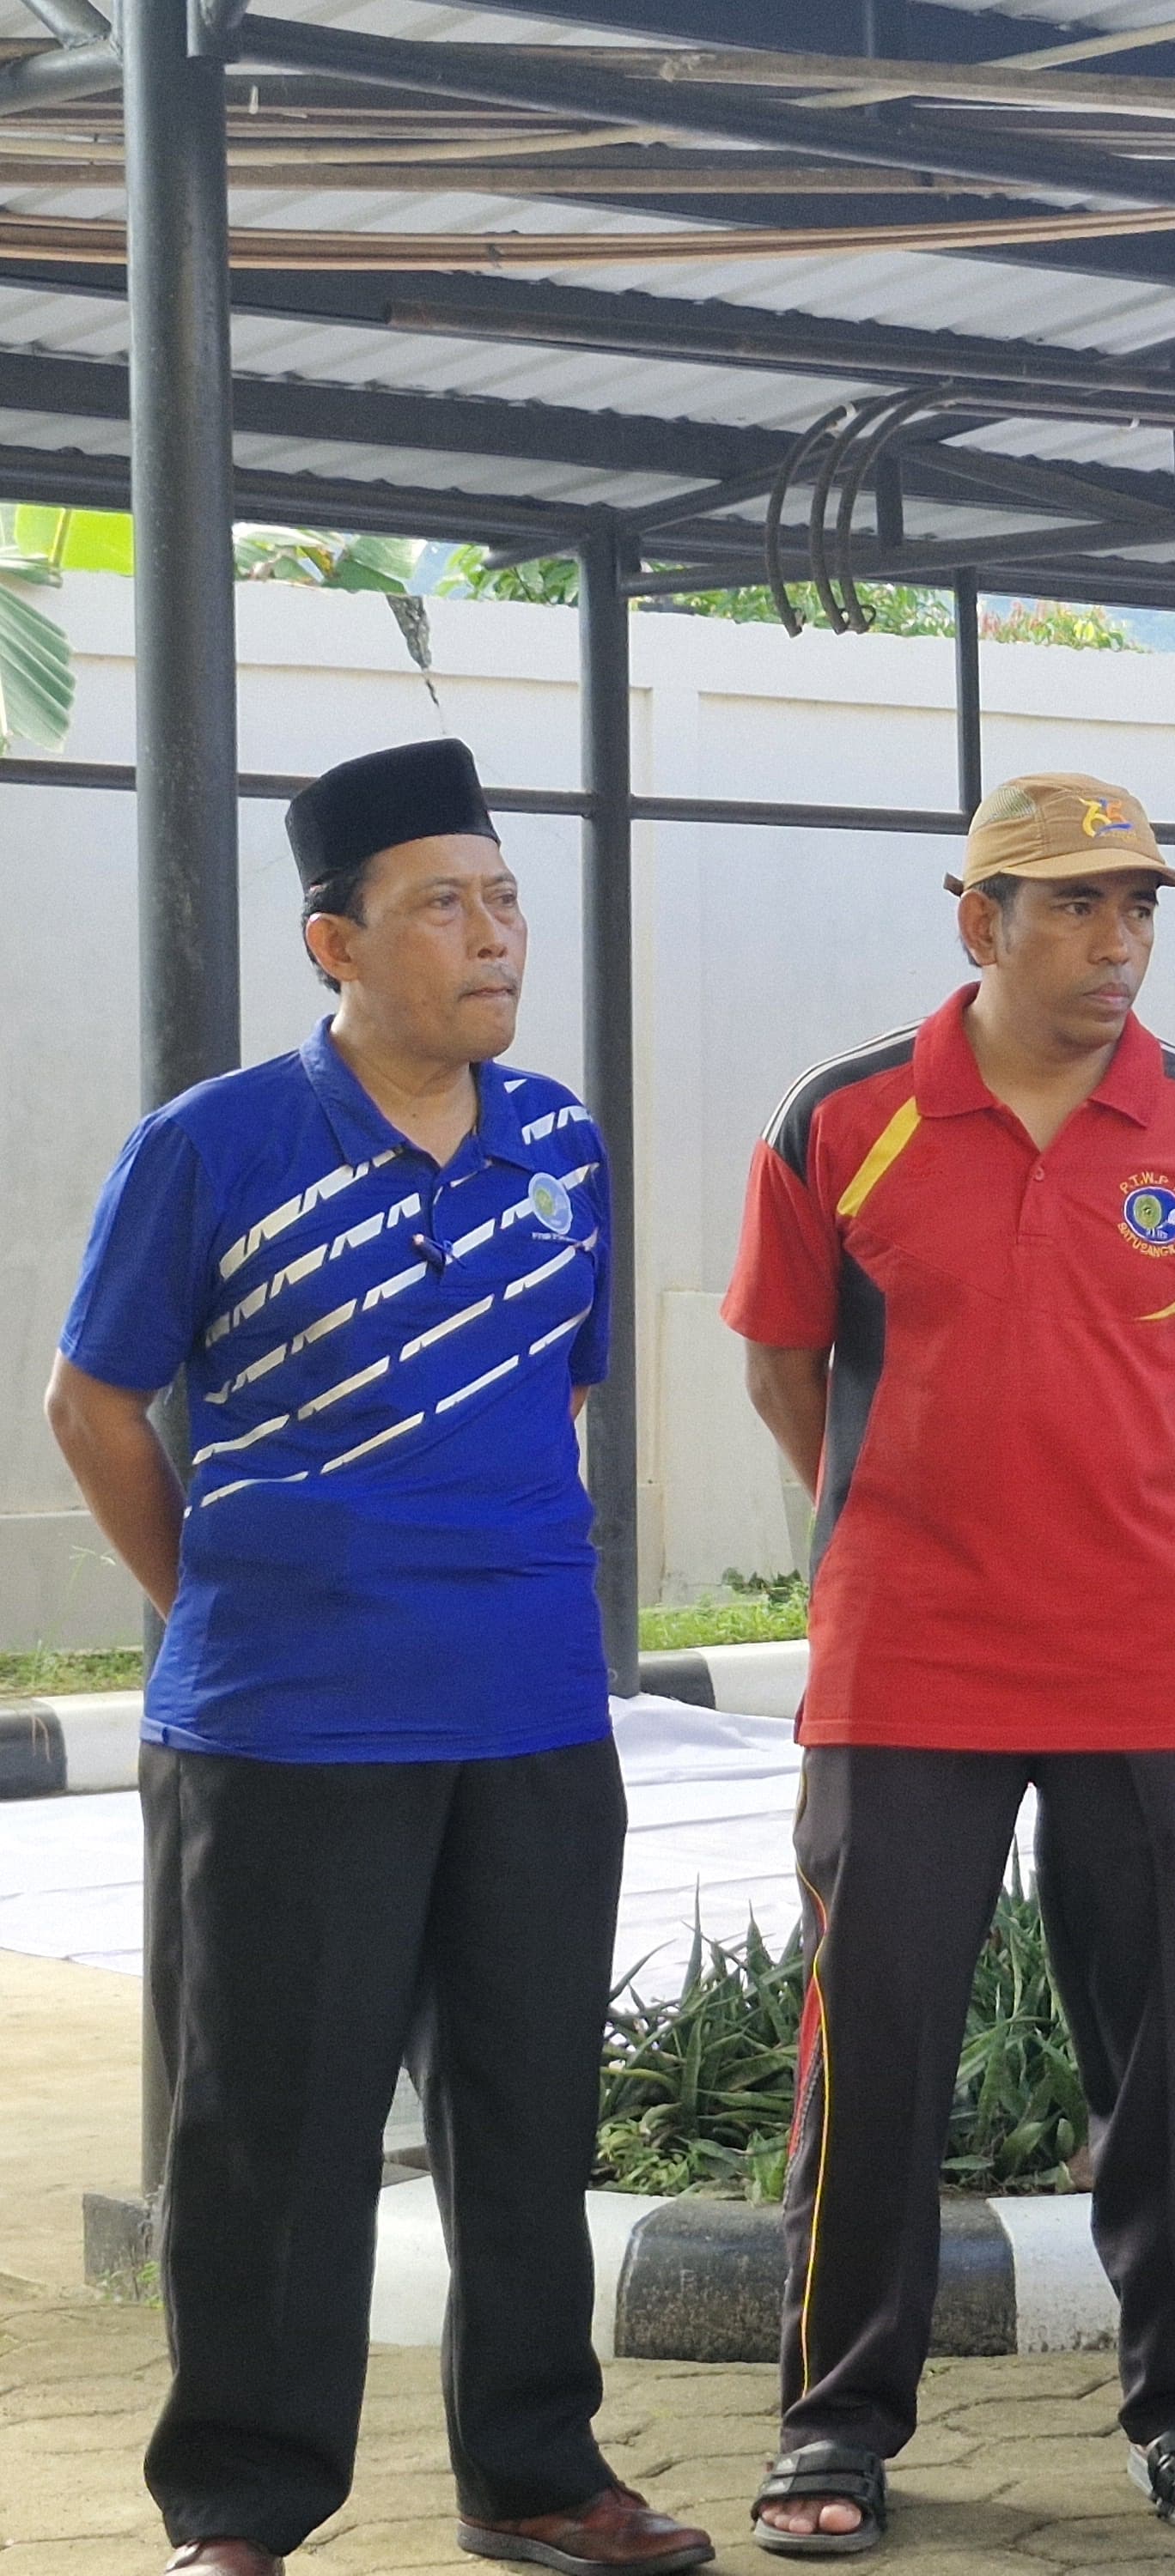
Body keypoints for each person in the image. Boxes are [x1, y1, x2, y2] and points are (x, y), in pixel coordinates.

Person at [44, 740, 710, 2576]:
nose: (494, 935)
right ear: (336, 942)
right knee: (274, 2137)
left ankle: (538, 2472)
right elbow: (93, 1405)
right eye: (445, 904)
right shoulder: (215, 1146)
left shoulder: (559, 1140)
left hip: (523, 1724)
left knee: (525, 2120)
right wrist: (219, 1609)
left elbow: (556, 1390)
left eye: (505, 899)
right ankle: (244, 2510)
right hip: (286, 1734)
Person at [725, 774, 1175, 2547]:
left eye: (1137, 906)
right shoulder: (843, 1122)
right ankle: (835, 2424)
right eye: (1071, 906)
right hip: (911, 1669)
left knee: (1173, 2065)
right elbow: (787, 1369)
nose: (1114, 941)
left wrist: (1096, 1510)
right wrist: (905, 1529)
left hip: (1152, 1666)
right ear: (976, 922)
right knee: (878, 2046)